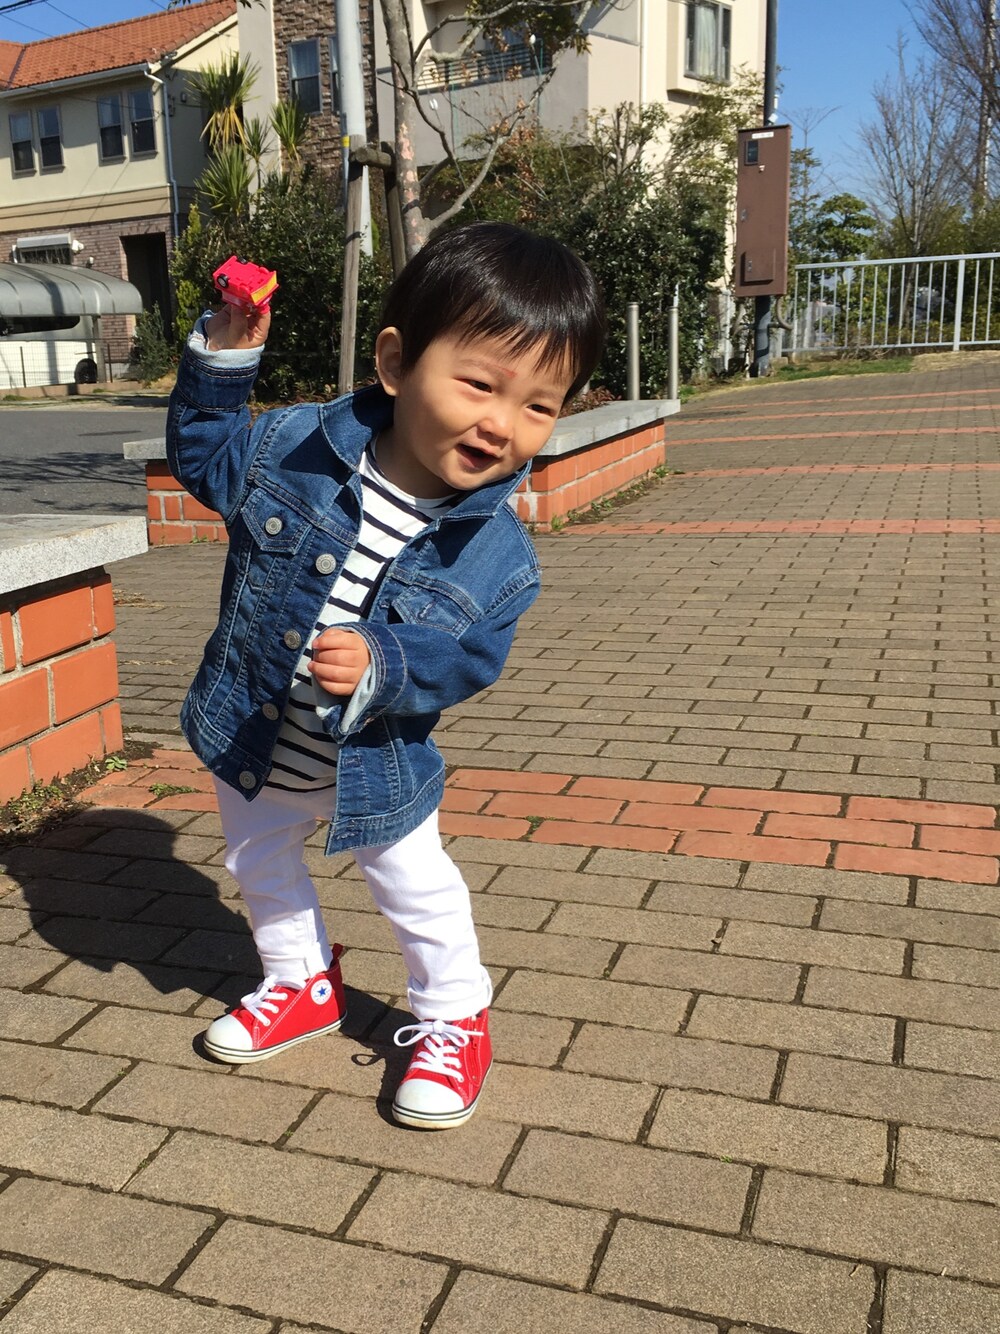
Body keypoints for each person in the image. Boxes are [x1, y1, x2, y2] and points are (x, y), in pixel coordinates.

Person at [166, 222, 606, 1129]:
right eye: (479, 384)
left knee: (414, 887)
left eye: (539, 406)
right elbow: (206, 462)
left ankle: (453, 1017)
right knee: (257, 861)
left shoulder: (496, 552)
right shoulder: (295, 446)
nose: (502, 423)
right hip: (254, 733)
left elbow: (473, 656)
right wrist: (224, 356)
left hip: (375, 764)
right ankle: (299, 981)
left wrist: (387, 659)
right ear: (398, 363)